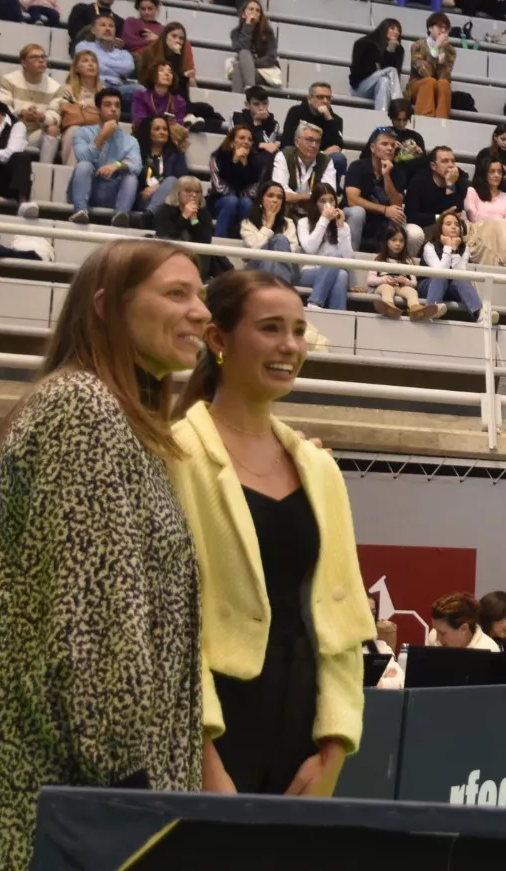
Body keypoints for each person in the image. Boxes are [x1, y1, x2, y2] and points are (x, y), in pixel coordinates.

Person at [0, 240, 210, 869]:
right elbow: (93, 624)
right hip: (79, 806)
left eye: (199, 294)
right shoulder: (82, 411)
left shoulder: (123, 423)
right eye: (176, 293)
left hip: (98, 795)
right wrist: (129, 792)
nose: (201, 311)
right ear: (106, 306)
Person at [168, 269, 374, 797]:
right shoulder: (174, 456)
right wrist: (203, 754)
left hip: (304, 727)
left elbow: (342, 621)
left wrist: (334, 744)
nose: (290, 345)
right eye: (270, 328)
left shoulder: (319, 468)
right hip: (213, 724)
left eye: (299, 330)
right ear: (217, 339)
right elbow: (168, 624)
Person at [68, 89, 142, 225]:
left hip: (111, 193)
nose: (113, 109)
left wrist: (117, 165)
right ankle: (80, 211)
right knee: (84, 165)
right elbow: (83, 157)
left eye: (117, 105)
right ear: (98, 109)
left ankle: (121, 215)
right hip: (87, 188)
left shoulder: (130, 140)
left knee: (131, 176)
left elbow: (137, 165)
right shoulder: (81, 132)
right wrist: (102, 136)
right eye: (108, 105)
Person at [421, 209, 484, 319]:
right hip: (429, 284)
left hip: (451, 286)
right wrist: (448, 247)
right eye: (448, 224)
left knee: (461, 278)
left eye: (456, 224)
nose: (454, 227)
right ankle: (432, 308)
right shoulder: (429, 246)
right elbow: (440, 272)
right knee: (440, 275)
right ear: (440, 228)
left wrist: (454, 250)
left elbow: (460, 273)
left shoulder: (465, 249)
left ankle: (481, 314)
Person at [367, 222, 432, 320]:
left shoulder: (408, 260)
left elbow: (414, 283)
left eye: (401, 241)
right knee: (387, 289)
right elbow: (370, 280)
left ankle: (416, 309)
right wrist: (384, 280)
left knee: (411, 292)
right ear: (386, 241)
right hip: (383, 286)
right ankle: (388, 307)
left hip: (401, 287)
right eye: (394, 240)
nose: (398, 244)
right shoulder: (378, 258)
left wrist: (406, 281)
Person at [464, 156, 506, 266]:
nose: (497, 175)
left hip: (501, 241)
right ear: (483, 173)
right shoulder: (472, 192)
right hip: (477, 238)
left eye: (499, 172)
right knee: (499, 223)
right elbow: (473, 218)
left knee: (501, 226)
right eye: (492, 171)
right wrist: (494, 222)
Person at [243, 181, 301, 286]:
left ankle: (276, 291)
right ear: (261, 199)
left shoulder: (288, 223)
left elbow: (291, 252)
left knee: (280, 239)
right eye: (270, 196)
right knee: (267, 257)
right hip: (256, 270)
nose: (275, 200)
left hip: (287, 271)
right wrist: (269, 224)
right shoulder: (248, 223)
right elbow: (254, 249)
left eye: (279, 197)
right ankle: (280, 292)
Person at [349, 18, 405, 111]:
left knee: (384, 81)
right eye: (392, 28)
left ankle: (381, 117)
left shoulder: (398, 50)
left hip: (381, 89)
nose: (396, 32)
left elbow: (395, 78)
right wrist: (378, 70)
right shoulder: (364, 43)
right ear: (384, 28)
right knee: (391, 70)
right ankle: (399, 107)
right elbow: (357, 71)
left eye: (398, 30)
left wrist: (390, 52)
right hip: (360, 88)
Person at [408, 13, 456, 118]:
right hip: (418, 86)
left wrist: (442, 51)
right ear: (430, 28)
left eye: (446, 28)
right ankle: (425, 119)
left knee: (444, 84)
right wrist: (436, 48)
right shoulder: (418, 46)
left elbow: (445, 77)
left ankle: (441, 121)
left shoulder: (451, 51)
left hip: (438, 87)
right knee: (430, 81)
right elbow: (426, 72)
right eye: (439, 27)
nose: (443, 31)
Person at [229, 0, 279, 96]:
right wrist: (248, 26)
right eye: (251, 9)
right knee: (241, 61)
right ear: (243, 14)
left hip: (263, 71)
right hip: (245, 68)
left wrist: (250, 64)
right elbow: (241, 48)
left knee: (239, 67)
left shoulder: (268, 32)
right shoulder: (235, 32)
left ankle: (238, 101)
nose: (254, 12)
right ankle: (251, 91)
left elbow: (271, 58)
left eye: (258, 10)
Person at [429, 593, 502, 651]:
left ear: (464, 629)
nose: (437, 639)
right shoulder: (433, 637)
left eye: (442, 633)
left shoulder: (489, 650)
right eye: (436, 630)